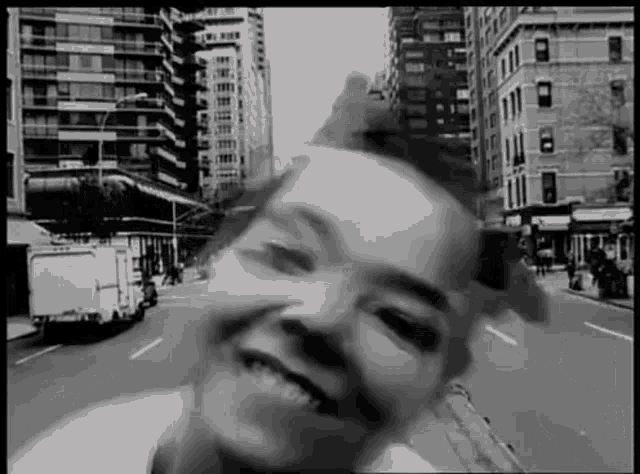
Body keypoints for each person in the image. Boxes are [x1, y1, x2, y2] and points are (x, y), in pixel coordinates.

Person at [9, 73, 549, 473]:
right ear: (219, 259)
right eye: (286, 257)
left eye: (399, 320)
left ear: (441, 383)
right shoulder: (60, 461)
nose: (321, 316)